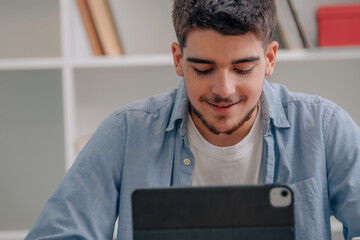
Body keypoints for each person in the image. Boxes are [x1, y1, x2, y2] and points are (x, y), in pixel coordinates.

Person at [26, 0, 360, 239]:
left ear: (270, 59)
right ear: (178, 58)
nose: (224, 90)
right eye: (203, 69)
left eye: (243, 69)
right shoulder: (126, 133)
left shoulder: (324, 127)